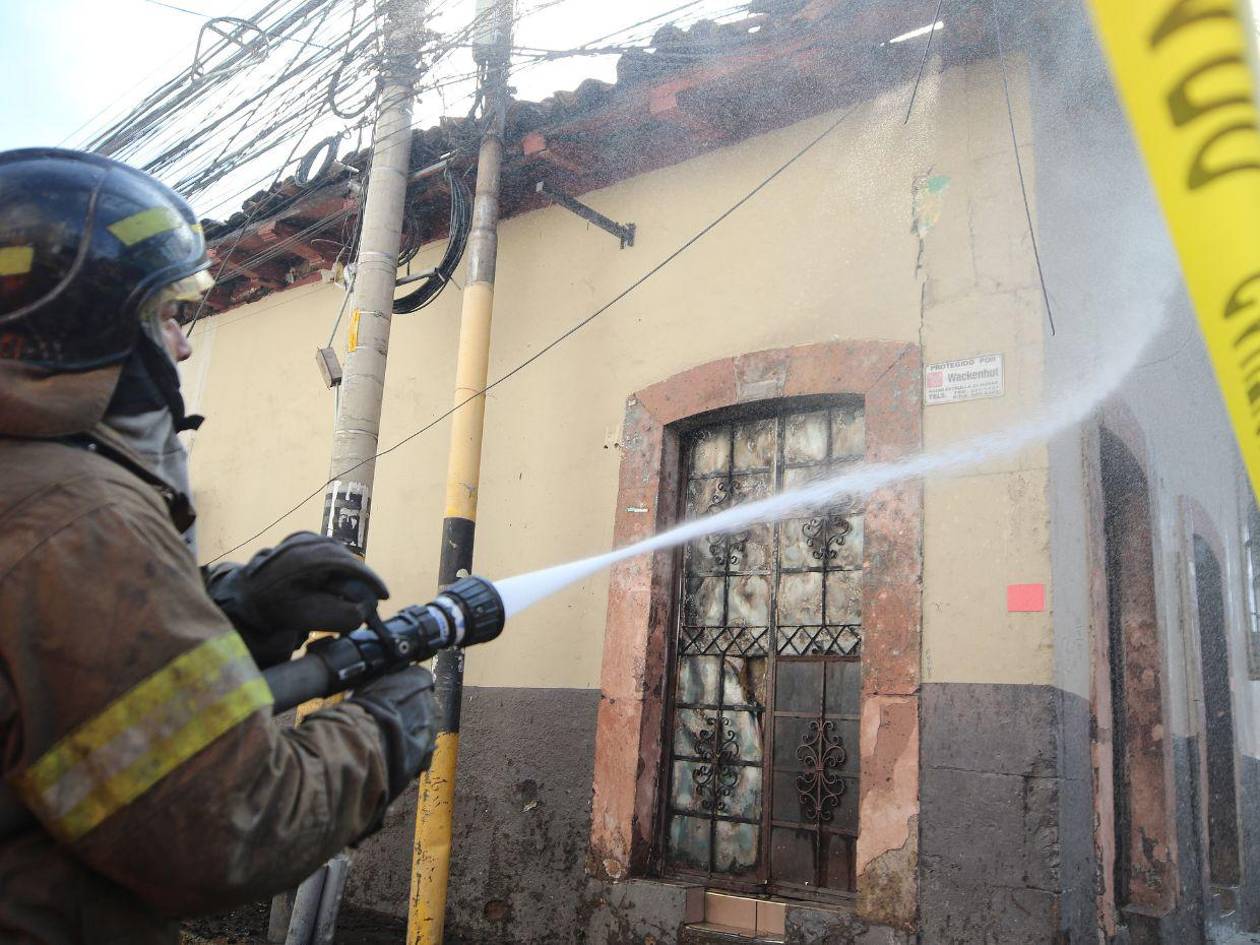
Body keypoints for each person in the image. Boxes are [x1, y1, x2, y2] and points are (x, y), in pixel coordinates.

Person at [0, 147, 436, 944]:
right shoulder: (78, 517)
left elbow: (69, 688)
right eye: (167, 314)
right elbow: (223, 827)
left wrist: (240, 610)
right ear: (89, 324)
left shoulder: (30, 488)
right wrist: (384, 731)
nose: (184, 345)